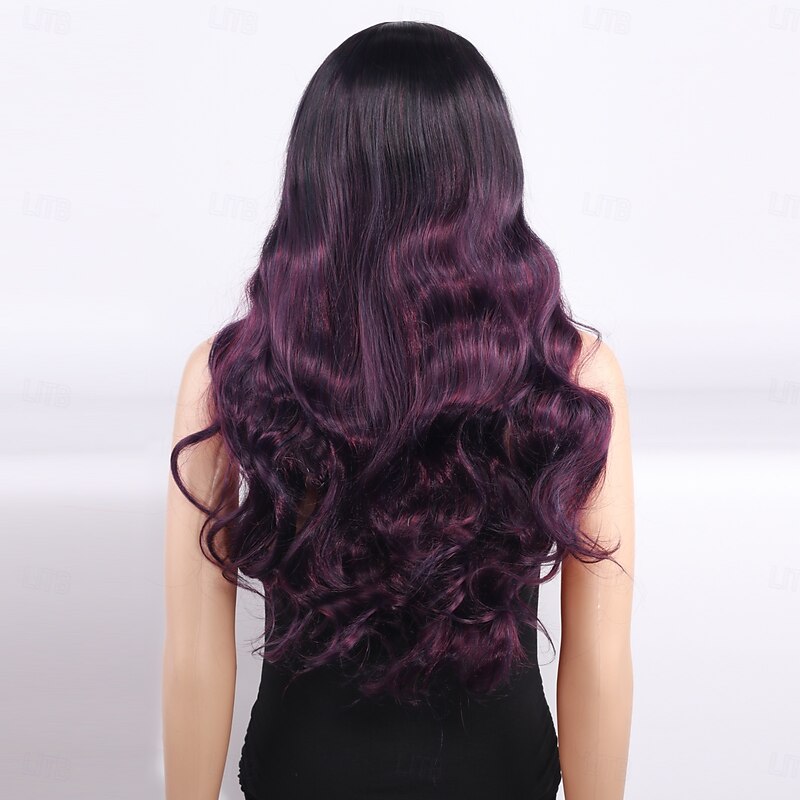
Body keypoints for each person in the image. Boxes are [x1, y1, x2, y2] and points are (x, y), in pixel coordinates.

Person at [162, 20, 635, 800]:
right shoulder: (572, 373)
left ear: (317, 177)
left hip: (303, 774)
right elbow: (602, 659)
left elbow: (192, 655)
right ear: (490, 176)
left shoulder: (236, 372)